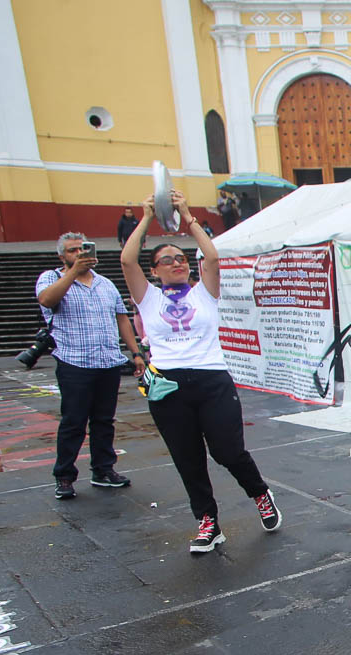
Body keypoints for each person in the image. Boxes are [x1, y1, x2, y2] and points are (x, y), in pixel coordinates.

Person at [121, 190, 283, 554]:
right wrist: (147, 216)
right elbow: (126, 259)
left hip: (212, 380)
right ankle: (208, 522)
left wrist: (186, 216)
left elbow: (211, 256)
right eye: (167, 260)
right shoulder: (148, 298)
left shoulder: (203, 293)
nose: (177, 263)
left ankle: (260, 494)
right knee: (187, 457)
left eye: (180, 259)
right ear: (154, 270)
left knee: (228, 451)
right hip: (168, 386)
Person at [37, 232, 145, 499]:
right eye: (73, 251)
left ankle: (103, 469)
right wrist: (72, 273)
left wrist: (136, 352)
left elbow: (121, 319)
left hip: (107, 361)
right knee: (74, 421)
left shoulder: (105, 283)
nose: (80, 254)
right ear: (62, 256)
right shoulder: (52, 278)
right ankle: (64, 475)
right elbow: (47, 301)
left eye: (83, 249)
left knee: (104, 421)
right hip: (74, 361)